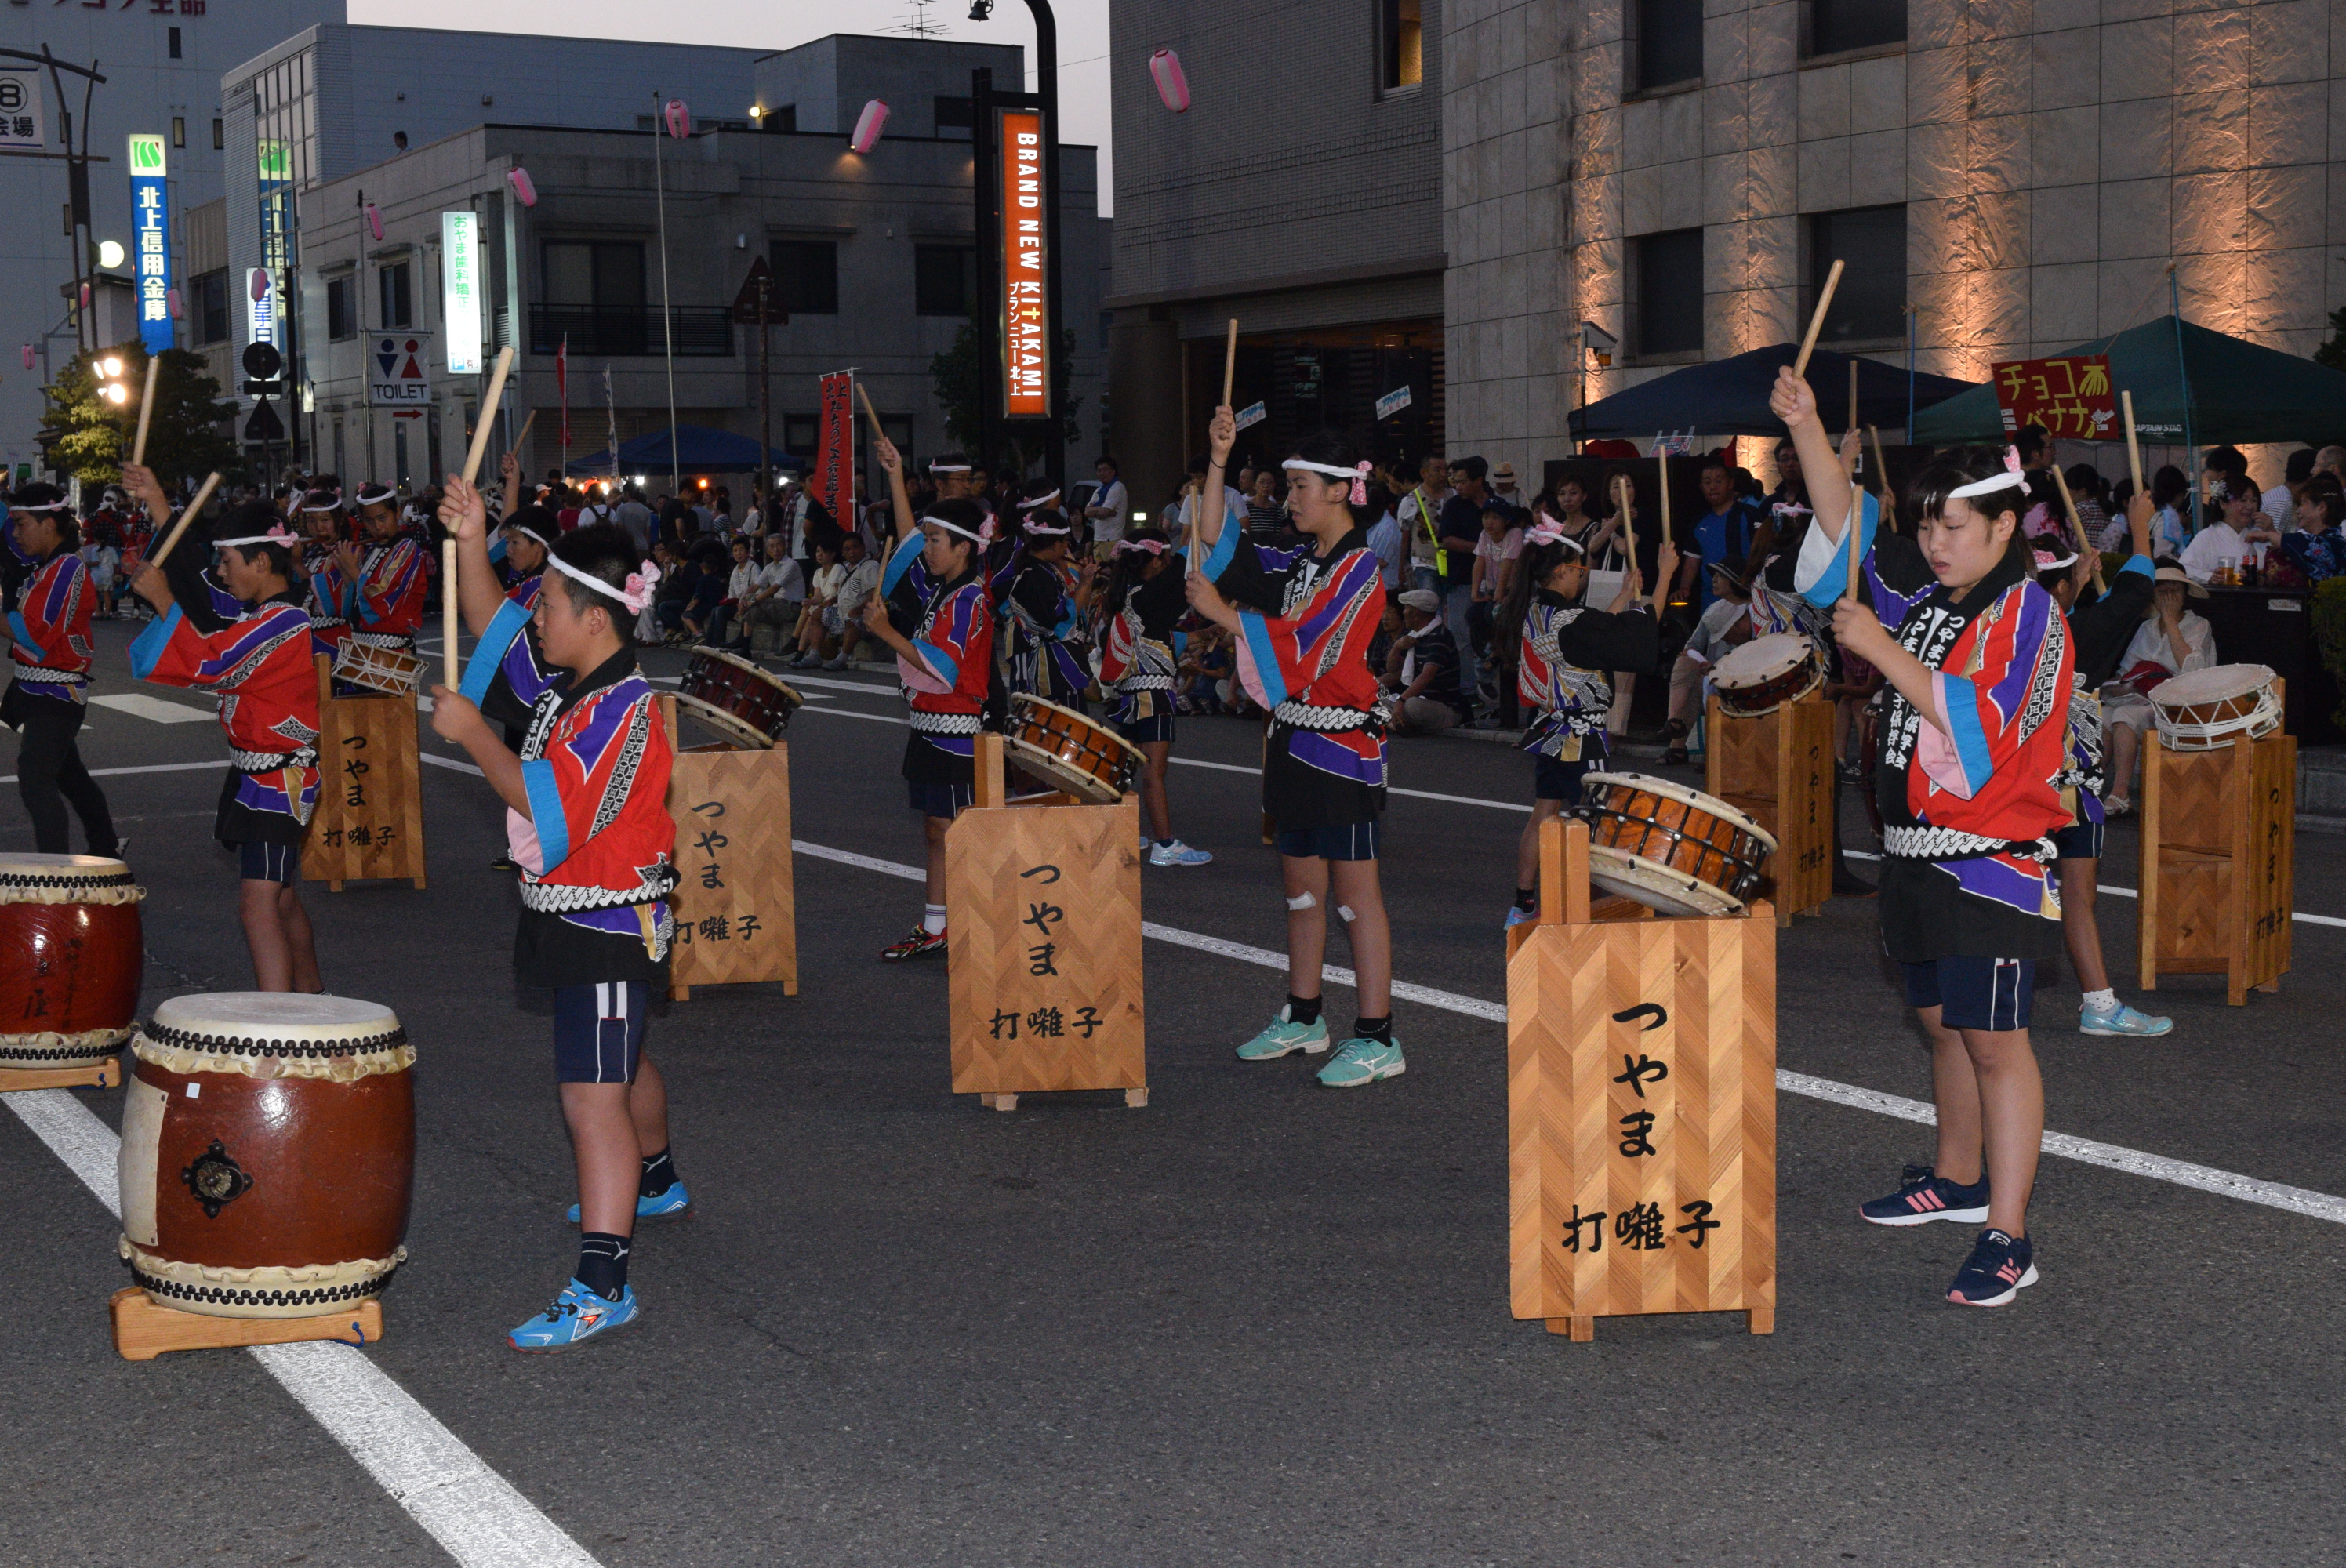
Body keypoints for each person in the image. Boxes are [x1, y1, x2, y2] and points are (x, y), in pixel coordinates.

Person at [1775, 365, 2072, 1309]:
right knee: (1943, 1023)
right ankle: (1957, 1175)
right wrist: (1806, 424)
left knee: (1995, 1042)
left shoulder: (2028, 613)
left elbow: (1981, 726)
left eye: (1953, 526)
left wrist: (1878, 648)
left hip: (1989, 861)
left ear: (2004, 526)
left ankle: (2009, 1233)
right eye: (1927, 525)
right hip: (1915, 854)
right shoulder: (1935, 598)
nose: (1934, 543)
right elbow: (1849, 531)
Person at [434, 478, 685, 1352]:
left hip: (607, 923)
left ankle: (603, 1285)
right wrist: (471, 538)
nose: (533, 615)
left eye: (545, 602)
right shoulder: (571, 685)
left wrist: (474, 734)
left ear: (596, 618)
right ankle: (656, 1177)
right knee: (620, 1059)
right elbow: (492, 625)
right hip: (577, 914)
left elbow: (545, 809)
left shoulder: (623, 711)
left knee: (590, 1096)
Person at [1186, 414, 1401, 1089]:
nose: (1290, 499)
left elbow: (1311, 646)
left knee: (1355, 899)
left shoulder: (1360, 569)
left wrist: (1223, 615)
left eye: (1302, 486)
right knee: (1302, 896)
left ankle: (1379, 1035)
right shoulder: (1302, 562)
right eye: (1289, 486)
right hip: (1293, 741)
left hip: (1341, 747)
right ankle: (1305, 1016)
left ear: (1340, 490)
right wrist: (1219, 459)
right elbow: (1220, 539)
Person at [124, 508, 321, 991]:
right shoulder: (262, 615)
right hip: (259, 776)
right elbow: (206, 609)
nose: (221, 571)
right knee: (281, 898)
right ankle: (314, 996)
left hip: (280, 782)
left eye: (228, 560)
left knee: (257, 904)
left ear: (261, 562)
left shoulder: (286, 621)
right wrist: (157, 507)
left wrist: (165, 600)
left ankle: (279, 1020)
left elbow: (217, 663)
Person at [855, 436, 997, 959]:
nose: (927, 548)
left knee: (957, 833)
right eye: (929, 539)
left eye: (937, 541)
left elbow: (944, 666)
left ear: (964, 548)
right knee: (937, 831)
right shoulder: (942, 589)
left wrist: (887, 632)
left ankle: (973, 928)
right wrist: (896, 476)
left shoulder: (969, 597)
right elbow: (909, 540)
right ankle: (937, 925)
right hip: (930, 727)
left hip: (957, 732)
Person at [2038, 492, 2171, 1037]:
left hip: (2012, 777)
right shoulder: (2081, 632)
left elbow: (2096, 605)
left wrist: (2075, 581)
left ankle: (1992, 992)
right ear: (2063, 589)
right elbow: (2133, 594)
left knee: (2006, 881)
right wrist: (2140, 529)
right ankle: (2097, 1004)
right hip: (2070, 782)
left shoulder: (2008, 630)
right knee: (2078, 892)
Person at [1498, 516, 1671, 927]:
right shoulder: (1570, 621)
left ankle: (1523, 905)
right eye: (1580, 570)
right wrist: (1665, 574)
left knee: (1544, 812)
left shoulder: (1538, 611)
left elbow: (1597, 635)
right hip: (1580, 733)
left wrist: (1625, 594)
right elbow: (1637, 633)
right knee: (1593, 821)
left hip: (1551, 727)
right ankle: (1584, 908)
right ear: (1561, 570)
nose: (1583, 576)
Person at [2, 481, 119, 858]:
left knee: (35, 779)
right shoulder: (49, 567)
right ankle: (107, 848)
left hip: (56, 694)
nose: (15, 533)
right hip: (38, 690)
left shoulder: (66, 567)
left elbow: (36, 634)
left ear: (49, 525)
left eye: (21, 524)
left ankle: (54, 872)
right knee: (71, 778)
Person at [1099, 531, 1212, 866]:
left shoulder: (1127, 595)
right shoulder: (1151, 593)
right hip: (1153, 694)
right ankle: (1165, 844)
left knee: (1126, 767)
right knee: (1154, 771)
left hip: (1131, 693)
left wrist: (1203, 634)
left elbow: (1156, 637)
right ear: (1158, 561)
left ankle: (1119, 830)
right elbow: (1184, 569)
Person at [2099, 561, 2215, 815]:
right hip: (2141, 699)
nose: (2169, 597)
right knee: (2103, 715)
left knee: (2125, 715)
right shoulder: (2147, 628)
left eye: (2175, 591)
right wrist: (2118, 688)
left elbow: (2193, 670)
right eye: (2163, 591)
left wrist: (2171, 621)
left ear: (2185, 595)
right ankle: (2089, 786)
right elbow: (2127, 671)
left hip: (2181, 704)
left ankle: (2120, 792)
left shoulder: (2199, 625)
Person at [998, 488, 1095, 710]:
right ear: (1055, 545)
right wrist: (1084, 583)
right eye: (1065, 542)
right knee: (1057, 720)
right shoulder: (1037, 576)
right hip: (1048, 666)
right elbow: (1062, 623)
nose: (1067, 548)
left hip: (1048, 661)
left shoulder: (1039, 570)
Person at [1662, 557, 1753, 764]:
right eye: (1714, 576)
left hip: (1740, 673)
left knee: (1703, 681)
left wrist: (1717, 666)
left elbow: (1753, 650)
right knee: (1686, 664)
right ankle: (1674, 724)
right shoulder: (1715, 608)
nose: (1714, 580)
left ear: (1734, 581)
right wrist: (1691, 655)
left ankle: (1708, 752)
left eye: (1721, 576)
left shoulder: (1755, 611)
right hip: (1711, 671)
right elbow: (1694, 643)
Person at [336, 481, 427, 660]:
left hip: (390, 649)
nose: (377, 527)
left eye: (382, 518)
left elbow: (383, 595)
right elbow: (359, 597)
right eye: (369, 521)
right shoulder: (373, 550)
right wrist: (345, 570)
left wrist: (353, 569)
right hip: (362, 644)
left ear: (397, 513)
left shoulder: (408, 549)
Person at [1438, 457, 1497, 708]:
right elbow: (1446, 539)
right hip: (1462, 578)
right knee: (1462, 636)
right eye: (1455, 481)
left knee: (1492, 634)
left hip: (1494, 580)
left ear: (1479, 481)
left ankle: (1489, 682)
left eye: (1462, 481)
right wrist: (1479, 549)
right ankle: (1468, 690)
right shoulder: (1453, 505)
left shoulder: (1495, 502)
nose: (1457, 486)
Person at [1383, 586, 1472, 735]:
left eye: (1406, 609)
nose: (1403, 613)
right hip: (1418, 700)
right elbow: (1391, 669)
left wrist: (1401, 701)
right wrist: (1397, 647)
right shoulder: (1414, 636)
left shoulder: (1440, 636)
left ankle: (1396, 724)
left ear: (1415, 614)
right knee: (1371, 700)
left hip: (1444, 708)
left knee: (1412, 706)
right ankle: (1397, 725)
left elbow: (1427, 676)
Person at [2180, 472, 2282, 583]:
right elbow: (2184, 569)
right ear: (2223, 504)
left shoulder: (2258, 535)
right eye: (2243, 500)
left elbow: (2280, 566)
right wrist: (2209, 577)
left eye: (2254, 500)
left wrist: (2271, 530)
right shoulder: (2207, 536)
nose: (2250, 506)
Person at [740, 531, 805, 652]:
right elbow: (754, 587)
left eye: (779, 545)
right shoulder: (769, 567)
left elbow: (773, 590)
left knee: (754, 602)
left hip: (792, 607)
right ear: (768, 551)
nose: (776, 549)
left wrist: (752, 600)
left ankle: (740, 638)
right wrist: (743, 599)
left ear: (785, 546)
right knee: (753, 610)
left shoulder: (791, 565)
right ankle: (745, 647)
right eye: (772, 546)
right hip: (776, 607)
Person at [1396, 453, 1450, 593]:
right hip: (1424, 563)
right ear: (1424, 473)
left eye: (1445, 469)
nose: (1443, 474)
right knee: (1429, 602)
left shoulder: (1454, 496)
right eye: (1437, 470)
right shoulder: (1411, 500)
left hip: (1452, 562)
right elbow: (1404, 536)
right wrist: (1400, 568)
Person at [787, 538, 845, 666]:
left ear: (833, 554)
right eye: (818, 551)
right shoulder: (818, 573)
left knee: (812, 616)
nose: (820, 554)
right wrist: (810, 601)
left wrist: (825, 602)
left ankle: (797, 647)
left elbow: (840, 594)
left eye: (824, 551)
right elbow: (818, 597)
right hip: (824, 605)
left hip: (836, 606)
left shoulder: (838, 568)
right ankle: (800, 652)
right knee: (807, 609)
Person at [2280, 476, 2346, 583]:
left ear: (2322, 508)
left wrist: (2267, 534)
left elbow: (2300, 542)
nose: (2298, 511)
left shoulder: (2334, 543)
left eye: (2302, 503)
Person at [706, 536, 757, 651]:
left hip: (748, 605)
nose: (738, 553)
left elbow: (759, 590)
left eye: (741, 550)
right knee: (716, 609)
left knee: (720, 611)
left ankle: (718, 645)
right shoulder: (735, 570)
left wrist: (745, 602)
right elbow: (732, 592)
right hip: (736, 604)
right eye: (735, 550)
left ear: (748, 552)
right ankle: (709, 646)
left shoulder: (754, 568)